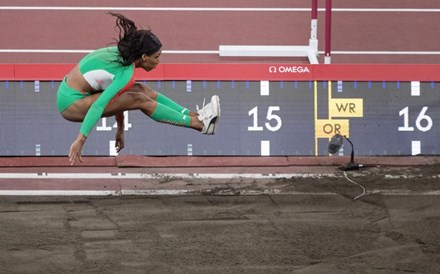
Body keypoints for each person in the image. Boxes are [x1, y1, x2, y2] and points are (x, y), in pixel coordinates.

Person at [57, 12, 220, 165]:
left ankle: (194, 115)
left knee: (142, 90)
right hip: (71, 104)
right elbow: (99, 105)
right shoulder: (125, 74)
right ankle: (199, 124)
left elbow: (115, 98)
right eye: (156, 57)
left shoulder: (121, 56)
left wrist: (120, 129)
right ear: (144, 57)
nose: (158, 62)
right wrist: (80, 140)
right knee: (139, 99)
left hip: (69, 94)